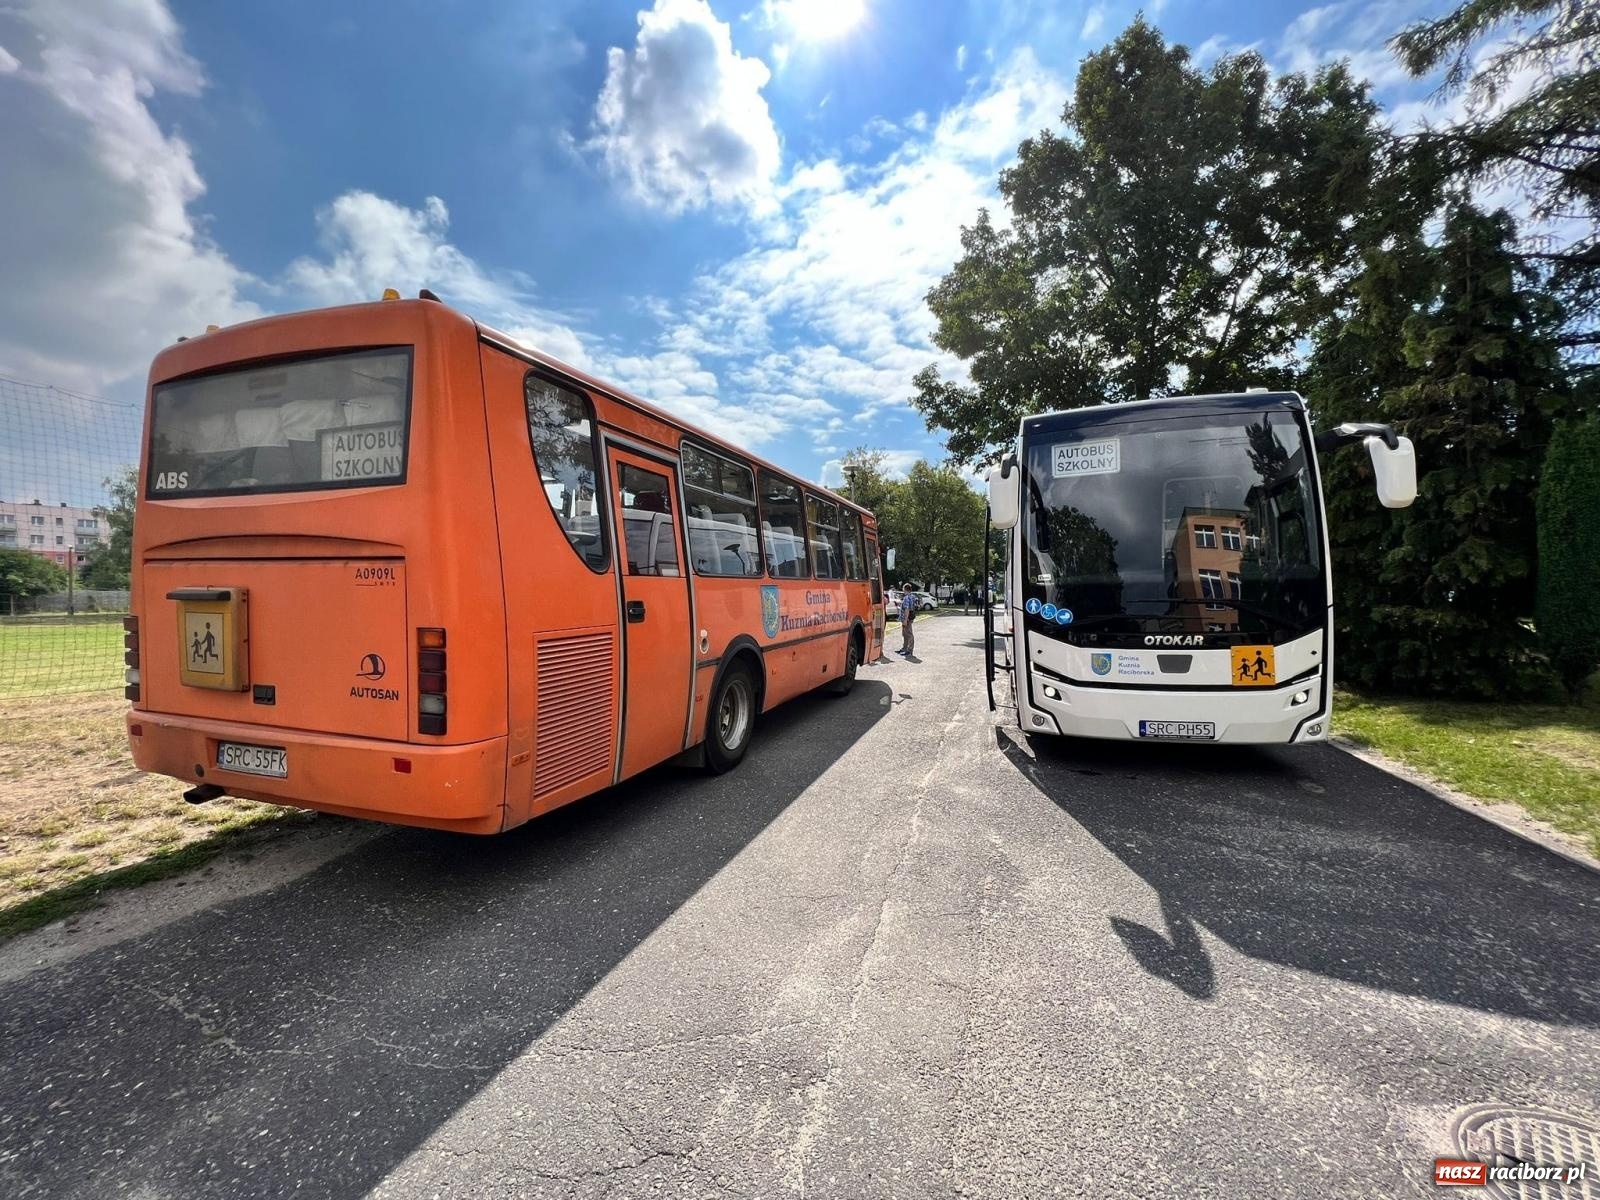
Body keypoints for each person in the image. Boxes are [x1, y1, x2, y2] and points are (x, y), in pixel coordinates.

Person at [898, 587, 918, 656]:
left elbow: (907, 609)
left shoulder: (906, 598)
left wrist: (905, 620)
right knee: (905, 634)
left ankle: (909, 650)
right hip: (911, 617)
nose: (902, 590)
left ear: (905, 589)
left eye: (903, 589)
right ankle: (904, 648)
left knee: (908, 634)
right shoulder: (913, 597)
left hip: (906, 618)